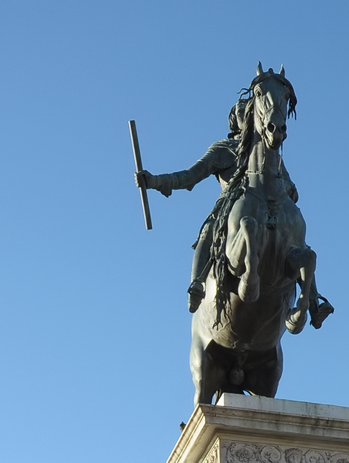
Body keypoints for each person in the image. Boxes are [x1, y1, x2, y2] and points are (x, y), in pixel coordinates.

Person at [140, 100, 334, 327]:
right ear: (235, 120)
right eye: (243, 111)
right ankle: (197, 282)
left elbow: (289, 187)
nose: (249, 114)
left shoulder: (268, 154)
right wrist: (154, 181)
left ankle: (312, 301)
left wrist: (289, 188)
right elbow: (190, 176)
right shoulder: (223, 149)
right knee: (210, 229)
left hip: (270, 205)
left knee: (297, 240)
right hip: (231, 206)